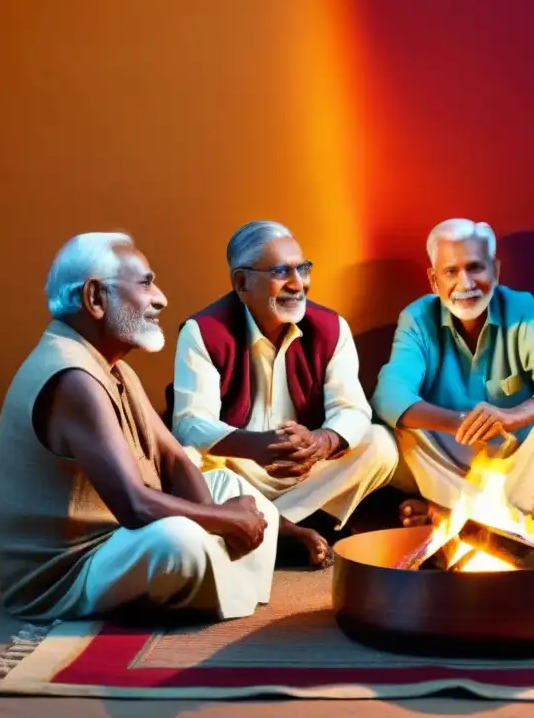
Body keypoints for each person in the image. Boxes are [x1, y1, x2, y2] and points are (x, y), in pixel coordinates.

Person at [0, 233, 277, 623]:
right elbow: (135, 505)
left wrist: (222, 519)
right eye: (145, 283)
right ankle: (215, 579)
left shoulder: (114, 366)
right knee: (178, 541)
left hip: (116, 538)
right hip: (69, 572)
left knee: (242, 493)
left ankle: (215, 582)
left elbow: (172, 458)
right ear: (94, 298)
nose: (160, 298)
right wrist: (225, 522)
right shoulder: (73, 377)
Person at [168, 221, 398, 566]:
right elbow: (189, 423)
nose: (297, 283)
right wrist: (258, 445)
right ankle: (287, 532)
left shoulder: (331, 328)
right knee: (185, 458)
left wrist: (321, 441)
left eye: (302, 268)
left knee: (381, 444)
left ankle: (265, 529)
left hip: (306, 467)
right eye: (281, 271)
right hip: (239, 467)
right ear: (241, 283)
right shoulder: (203, 332)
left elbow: (351, 409)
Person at [372, 218, 534, 526]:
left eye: (475, 268)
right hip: (444, 459)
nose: (466, 284)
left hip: (515, 462)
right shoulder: (418, 317)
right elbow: (388, 395)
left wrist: (514, 416)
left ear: (495, 271)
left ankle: (451, 516)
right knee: (401, 426)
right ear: (434, 281)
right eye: (451, 272)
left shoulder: (522, 308)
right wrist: (463, 423)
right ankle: (508, 522)